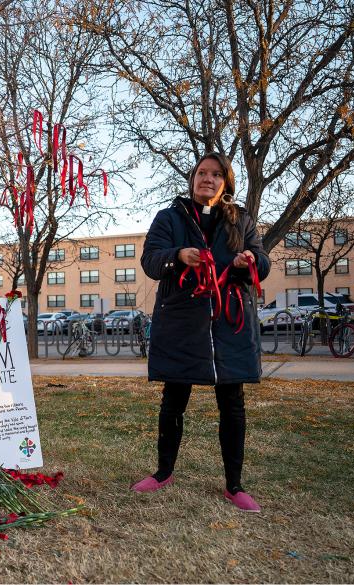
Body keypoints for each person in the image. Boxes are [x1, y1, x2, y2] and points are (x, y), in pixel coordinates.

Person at [134, 152, 270, 512]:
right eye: (201, 173)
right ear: (193, 178)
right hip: (183, 323)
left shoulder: (241, 220)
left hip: (229, 323)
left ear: (226, 183)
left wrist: (250, 261)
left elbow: (264, 261)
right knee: (173, 399)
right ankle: (163, 473)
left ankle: (234, 485)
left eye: (215, 175)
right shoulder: (169, 217)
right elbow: (150, 260)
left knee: (233, 403)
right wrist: (178, 255)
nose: (207, 179)